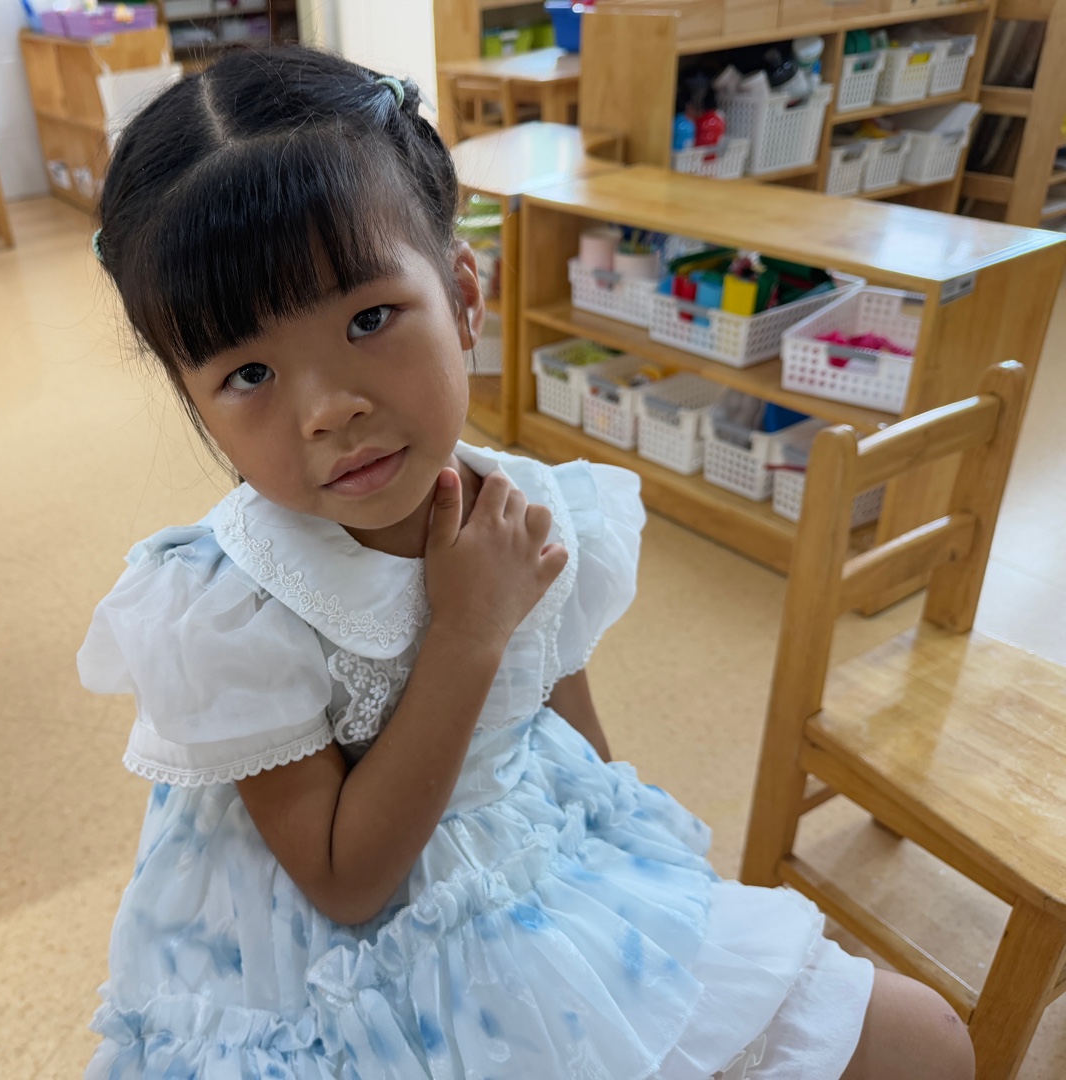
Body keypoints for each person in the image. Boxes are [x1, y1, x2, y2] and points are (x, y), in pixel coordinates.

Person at [77, 45, 975, 1080]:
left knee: (927, 1042)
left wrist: (632, 865)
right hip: (353, 966)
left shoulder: (530, 503)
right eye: (248, 374)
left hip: (529, 851)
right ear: (198, 407)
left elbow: (565, 718)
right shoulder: (224, 607)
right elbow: (344, 881)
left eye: (369, 319)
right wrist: (467, 628)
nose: (327, 409)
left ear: (465, 295)